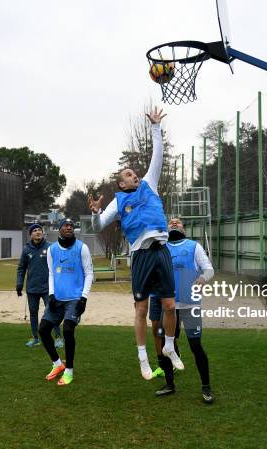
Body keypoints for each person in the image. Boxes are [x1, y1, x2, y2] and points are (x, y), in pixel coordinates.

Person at [88, 106, 183, 380]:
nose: (135, 174)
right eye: (129, 173)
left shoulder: (149, 184)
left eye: (134, 172)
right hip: (141, 255)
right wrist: (95, 212)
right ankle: (143, 358)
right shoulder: (118, 203)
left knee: (169, 306)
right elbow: (98, 227)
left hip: (161, 250)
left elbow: (158, 156)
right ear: (121, 182)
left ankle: (169, 347)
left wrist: (156, 127)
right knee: (141, 309)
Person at [149, 218, 215, 403]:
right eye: (171, 222)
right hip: (169, 307)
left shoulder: (194, 246)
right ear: (166, 228)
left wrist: (202, 279)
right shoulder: (160, 249)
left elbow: (209, 269)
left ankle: (206, 388)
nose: (175, 223)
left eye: (178, 222)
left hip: (191, 306)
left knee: (196, 346)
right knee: (165, 344)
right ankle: (170, 385)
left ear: (184, 229)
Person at [39, 218, 93, 386]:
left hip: (74, 299)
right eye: (65, 225)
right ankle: (57, 364)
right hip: (57, 299)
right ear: (60, 229)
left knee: (68, 330)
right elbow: (51, 274)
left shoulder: (82, 248)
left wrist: (83, 298)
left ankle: (69, 370)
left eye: (71, 225)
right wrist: (52, 295)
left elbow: (89, 273)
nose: (69, 227)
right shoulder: (52, 250)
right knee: (43, 330)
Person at [16, 223, 63, 348]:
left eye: (39, 230)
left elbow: (58, 266)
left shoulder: (50, 247)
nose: (38, 232)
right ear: (31, 235)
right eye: (35, 230)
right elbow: (21, 268)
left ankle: (58, 337)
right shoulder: (26, 250)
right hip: (32, 288)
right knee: (33, 313)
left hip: (48, 288)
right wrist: (19, 284)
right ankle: (35, 338)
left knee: (52, 311)